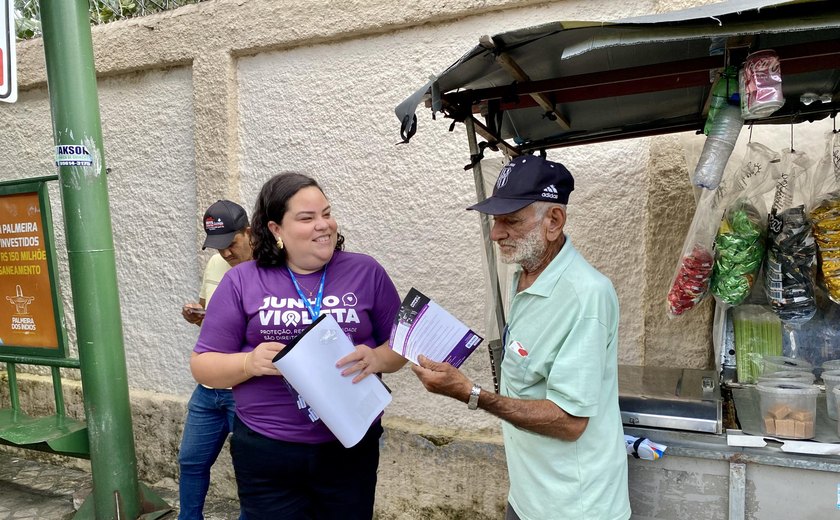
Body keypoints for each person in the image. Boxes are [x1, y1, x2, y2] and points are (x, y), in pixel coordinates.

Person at [412, 155, 631, 520]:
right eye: (495, 220)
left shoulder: (586, 295)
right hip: (529, 495)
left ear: (554, 221)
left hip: (574, 507)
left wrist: (472, 394)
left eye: (511, 220)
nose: (496, 233)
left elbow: (569, 421)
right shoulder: (524, 274)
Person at [190, 172, 407, 520]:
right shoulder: (242, 280)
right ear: (276, 229)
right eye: (307, 218)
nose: (324, 225)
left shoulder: (366, 271)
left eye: (326, 213)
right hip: (268, 449)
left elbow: (401, 347)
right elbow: (203, 365)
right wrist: (248, 364)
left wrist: (378, 358)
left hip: (349, 445)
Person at [179, 199, 252, 520]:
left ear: (248, 232)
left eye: (231, 244)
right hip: (208, 388)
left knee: (252, 471)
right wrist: (195, 314)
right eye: (217, 246)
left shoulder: (273, 269)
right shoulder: (215, 265)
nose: (225, 253)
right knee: (191, 461)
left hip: (248, 389)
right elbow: (206, 311)